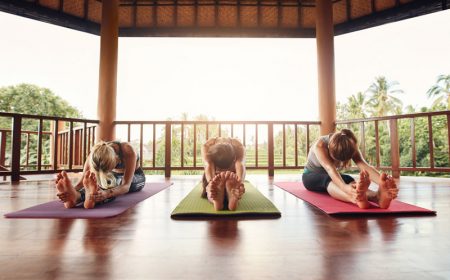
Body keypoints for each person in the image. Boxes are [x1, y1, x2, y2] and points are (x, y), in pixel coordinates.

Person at [302, 128, 399, 209]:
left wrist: (384, 183)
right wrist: (344, 188)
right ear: (329, 147)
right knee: (329, 180)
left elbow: (363, 165)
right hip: (310, 176)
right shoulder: (320, 145)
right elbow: (330, 168)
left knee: (349, 180)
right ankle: (355, 198)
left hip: (332, 174)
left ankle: (376, 197)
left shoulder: (350, 143)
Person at [55, 141, 146, 209]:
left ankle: (82, 198)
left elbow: (126, 186)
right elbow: (82, 182)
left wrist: (106, 193)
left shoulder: (127, 150)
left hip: (135, 177)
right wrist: (71, 192)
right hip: (113, 177)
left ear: (116, 159)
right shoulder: (96, 153)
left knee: (113, 184)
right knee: (97, 182)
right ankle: (76, 197)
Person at [201, 137, 246, 211]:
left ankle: (214, 199)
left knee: (212, 191)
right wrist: (240, 182)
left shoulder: (208, 147)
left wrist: (210, 183)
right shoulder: (238, 146)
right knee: (214, 187)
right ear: (234, 158)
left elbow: (208, 163)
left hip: (218, 177)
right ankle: (232, 196)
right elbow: (240, 163)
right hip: (231, 176)